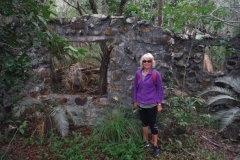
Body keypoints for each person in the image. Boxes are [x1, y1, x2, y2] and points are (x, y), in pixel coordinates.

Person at [133, 53, 164, 158]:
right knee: (144, 123)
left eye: (149, 61)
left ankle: (155, 146)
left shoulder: (155, 74)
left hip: (151, 104)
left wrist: (159, 103)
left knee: (153, 124)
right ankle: (145, 142)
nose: (146, 63)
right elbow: (135, 88)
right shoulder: (138, 73)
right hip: (141, 103)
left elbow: (160, 90)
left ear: (152, 62)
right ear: (142, 62)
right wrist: (135, 100)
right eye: (144, 61)